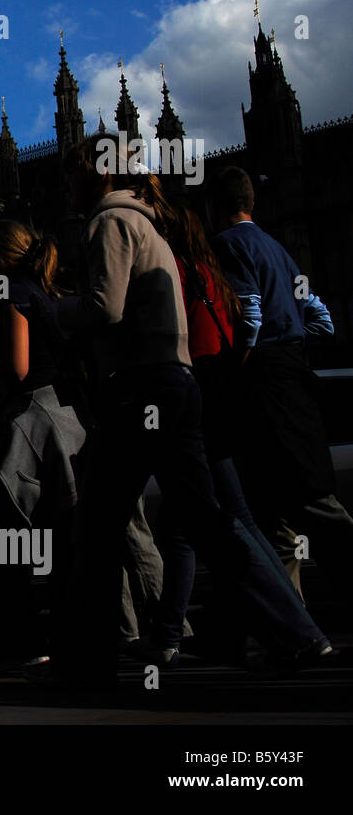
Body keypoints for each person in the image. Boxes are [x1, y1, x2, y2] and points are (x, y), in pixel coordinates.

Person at [48, 134, 331, 687]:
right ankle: (301, 635)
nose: (66, 187)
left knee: (96, 529)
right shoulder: (149, 221)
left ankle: (84, 664)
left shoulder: (110, 221)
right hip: (175, 384)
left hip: (140, 390)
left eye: (73, 176)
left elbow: (106, 309)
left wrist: (57, 310)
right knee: (211, 524)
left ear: (99, 176)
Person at [142, 197, 327, 666]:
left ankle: (286, 632)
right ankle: (277, 630)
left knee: (202, 524)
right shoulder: (216, 272)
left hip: (196, 396)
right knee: (228, 519)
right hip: (222, 396)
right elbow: (296, 318)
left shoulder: (180, 274)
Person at [205, 166, 353, 603]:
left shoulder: (227, 245)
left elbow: (249, 311)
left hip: (265, 386)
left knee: (307, 507)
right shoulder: (277, 248)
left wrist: (244, 357)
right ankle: (297, 633)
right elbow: (322, 320)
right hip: (292, 379)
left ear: (216, 205)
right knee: (277, 516)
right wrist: (290, 339)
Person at [0, 220, 87, 665]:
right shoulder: (55, 293)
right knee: (64, 534)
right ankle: (68, 640)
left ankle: (18, 643)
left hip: (31, 420)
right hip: (70, 418)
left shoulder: (13, 293)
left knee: (10, 534)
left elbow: (20, 368)